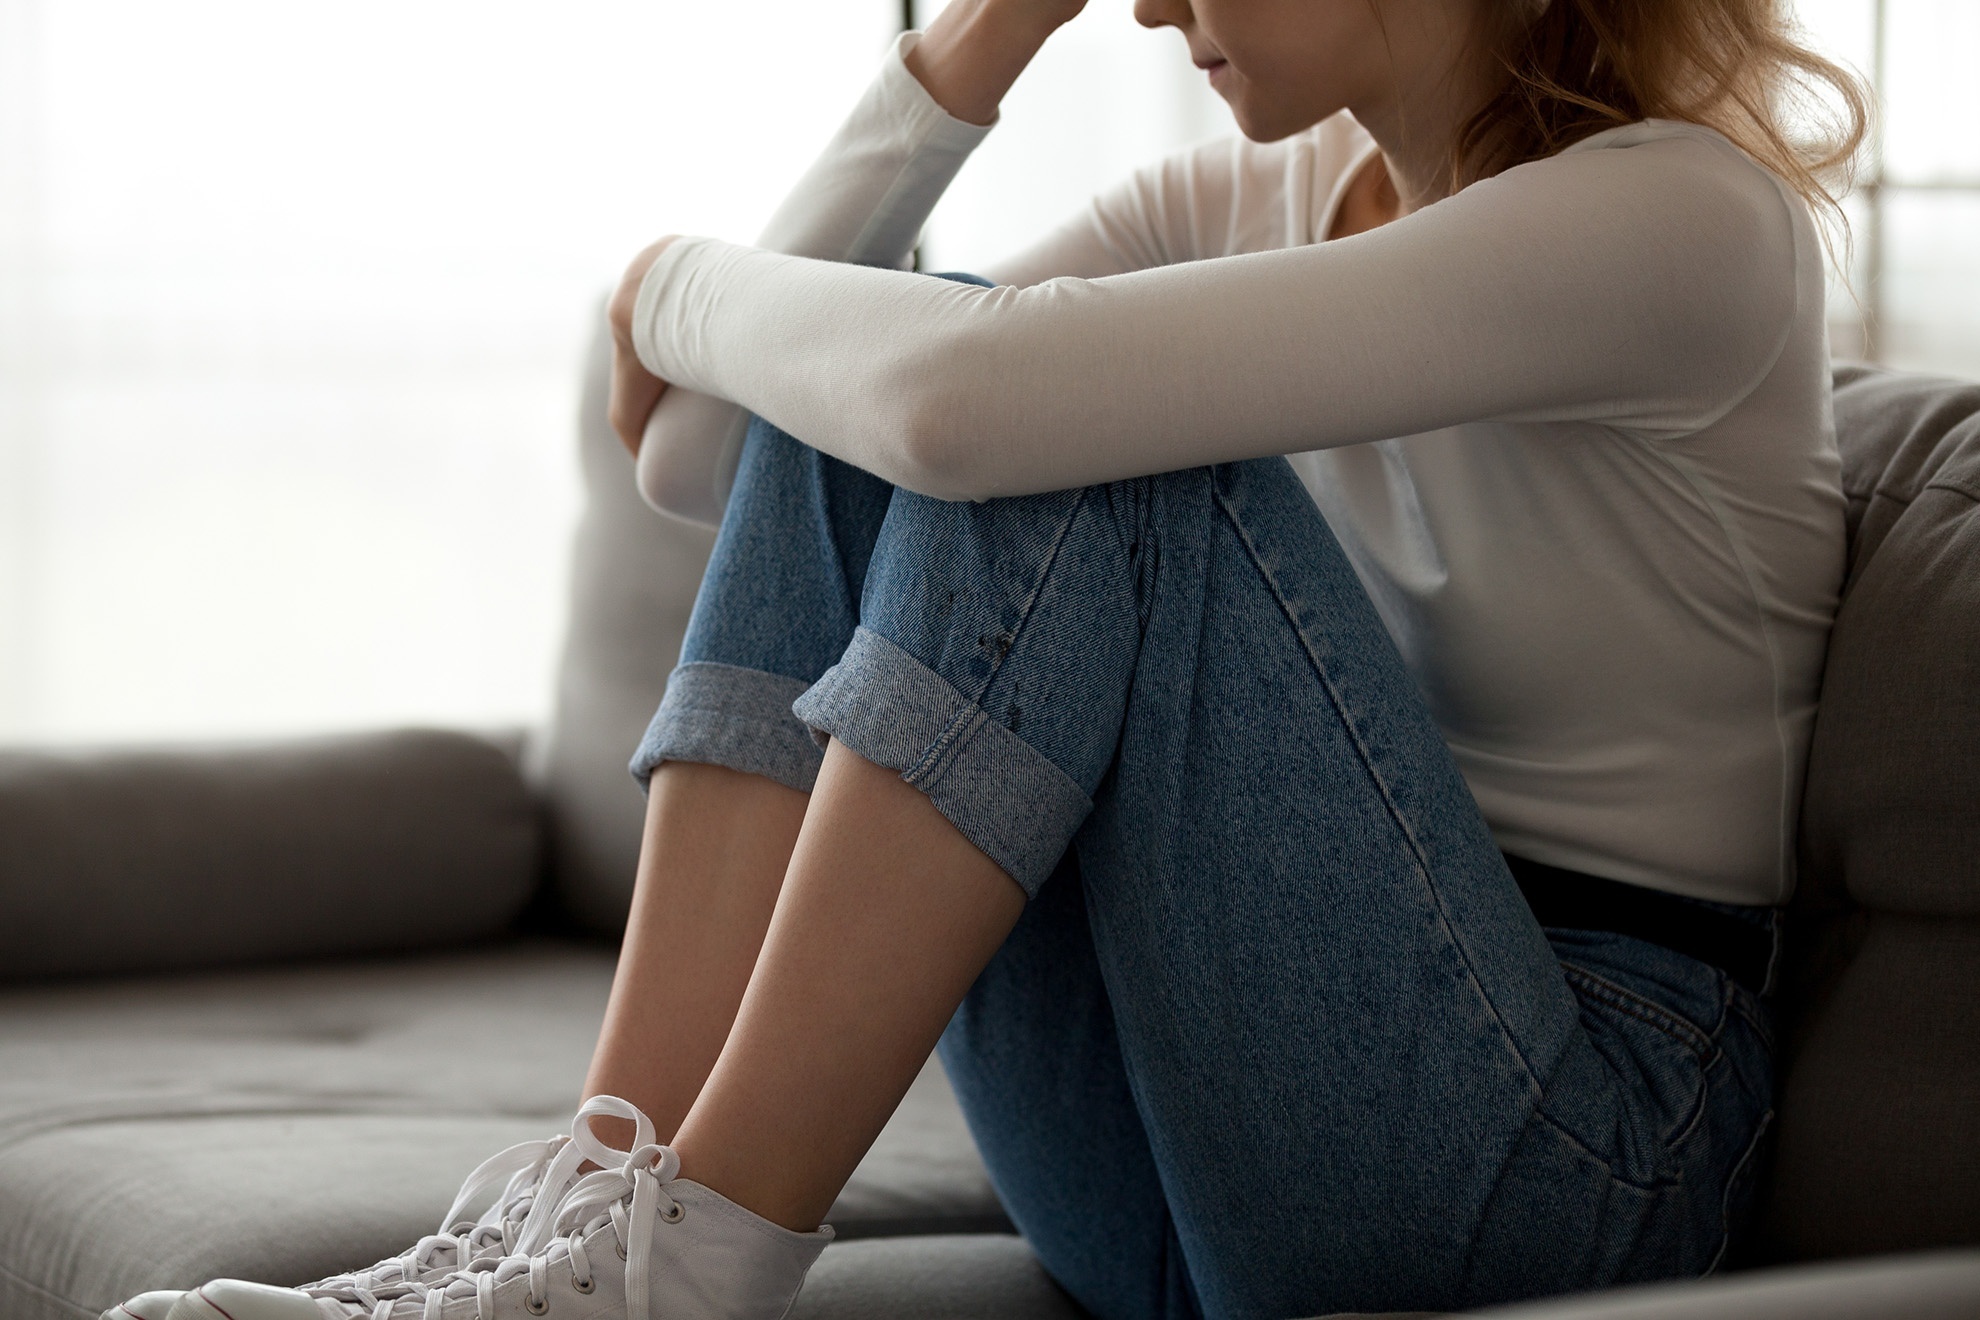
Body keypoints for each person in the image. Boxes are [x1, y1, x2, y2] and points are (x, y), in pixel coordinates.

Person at [110, 0, 1870, 1318]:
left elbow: (960, 403)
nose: (1154, 8)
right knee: (870, 389)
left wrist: (669, 287)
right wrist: (969, 45)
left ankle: (687, 1265)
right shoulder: (1235, 197)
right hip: (1174, 1142)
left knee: (1019, 423)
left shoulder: (1683, 227)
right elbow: (719, 462)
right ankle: (596, 1217)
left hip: (1559, 1151)